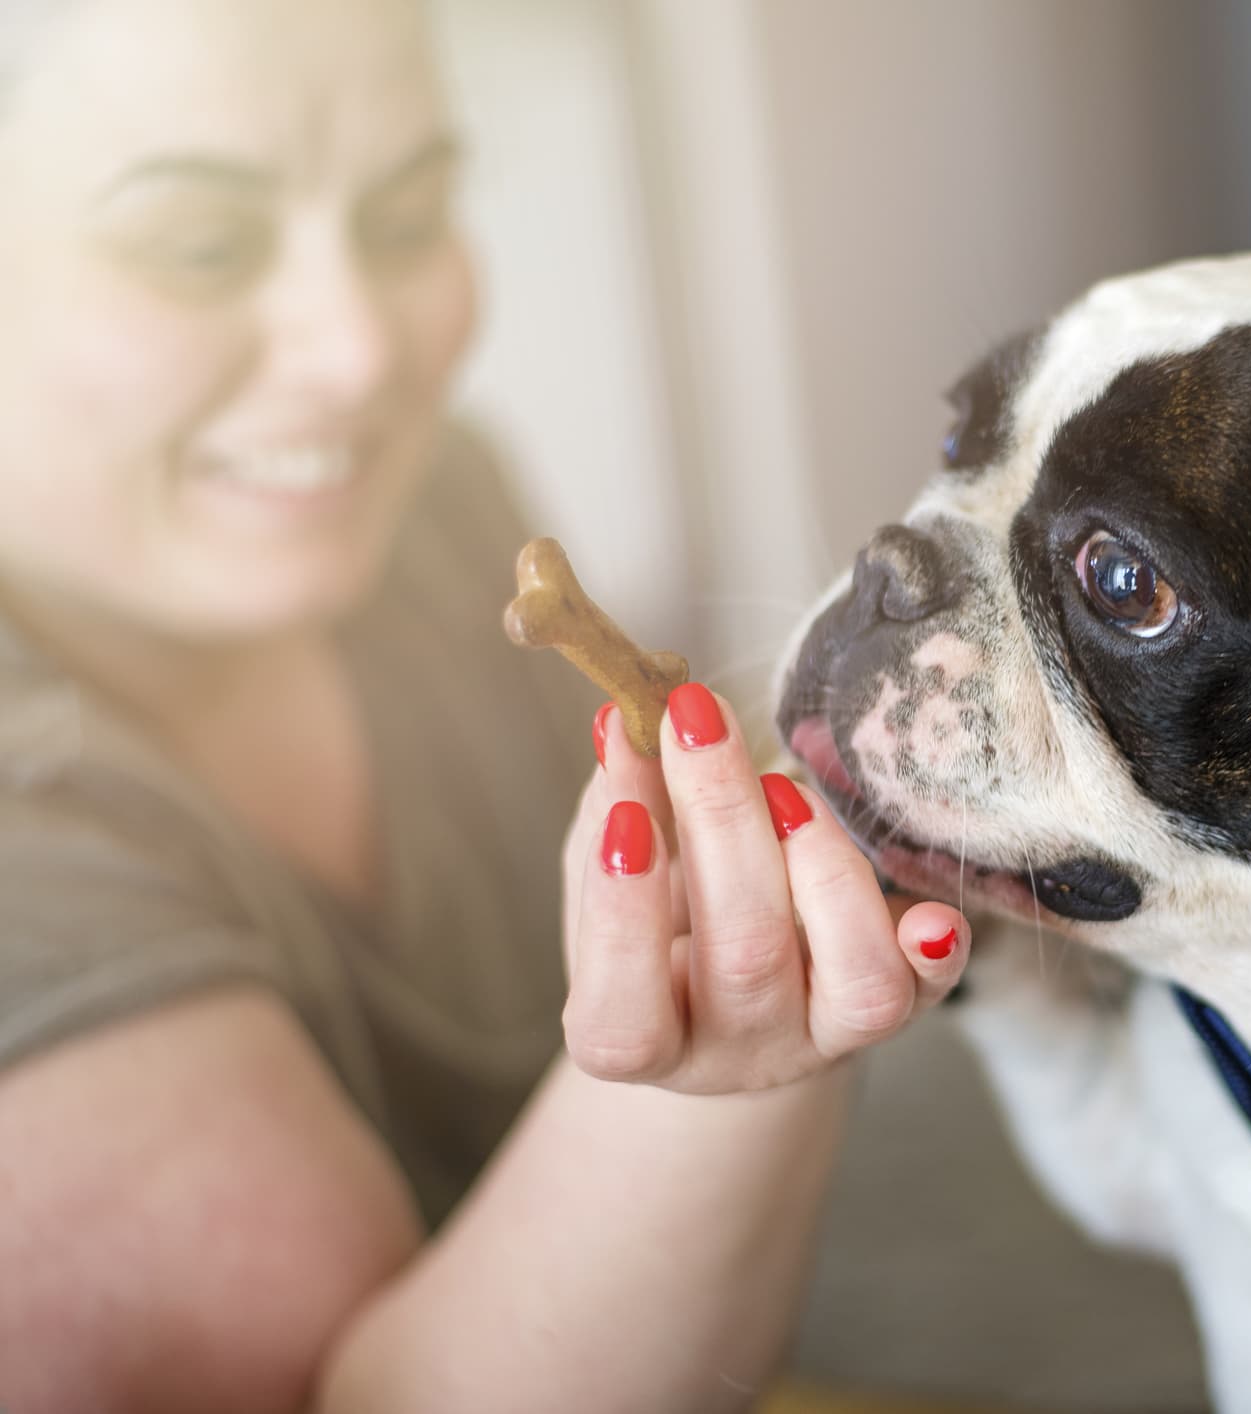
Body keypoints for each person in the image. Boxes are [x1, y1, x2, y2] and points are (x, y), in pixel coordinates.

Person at [0, 0, 971, 1408]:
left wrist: (749, 992)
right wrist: (702, 1092)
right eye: (199, 244)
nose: (359, 354)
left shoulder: (436, 517)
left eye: (410, 214)